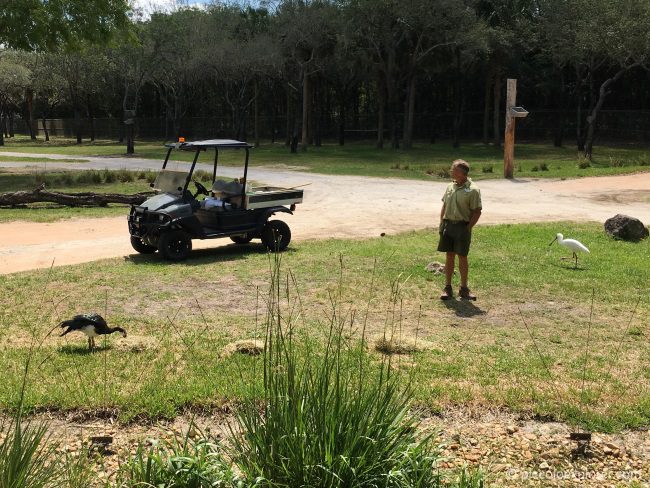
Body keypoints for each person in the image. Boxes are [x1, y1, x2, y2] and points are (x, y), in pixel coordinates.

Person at [437, 159, 482, 300]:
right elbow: (444, 204)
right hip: (448, 225)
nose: (451, 172)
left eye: (454, 170)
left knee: (462, 256)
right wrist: (441, 221)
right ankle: (448, 288)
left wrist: (468, 228)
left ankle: (464, 289)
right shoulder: (450, 186)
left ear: (462, 173)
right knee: (449, 255)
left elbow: (477, 211)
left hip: (462, 226)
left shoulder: (473, 190)